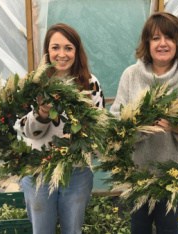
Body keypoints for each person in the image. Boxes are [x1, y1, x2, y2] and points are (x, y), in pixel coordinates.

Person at [110, 12, 178, 234]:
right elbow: (116, 117)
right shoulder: (131, 75)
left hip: (175, 176)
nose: (162, 43)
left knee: (169, 229)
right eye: (155, 38)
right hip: (138, 174)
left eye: (169, 37)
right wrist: (141, 127)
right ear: (147, 43)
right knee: (139, 229)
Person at [18, 23, 105, 234]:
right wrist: (42, 114)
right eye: (55, 47)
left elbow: (101, 127)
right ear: (47, 51)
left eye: (68, 48)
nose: (62, 54)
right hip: (38, 169)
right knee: (42, 229)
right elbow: (25, 129)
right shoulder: (34, 84)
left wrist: (85, 135)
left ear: (77, 51)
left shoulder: (89, 84)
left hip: (76, 171)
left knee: (72, 229)